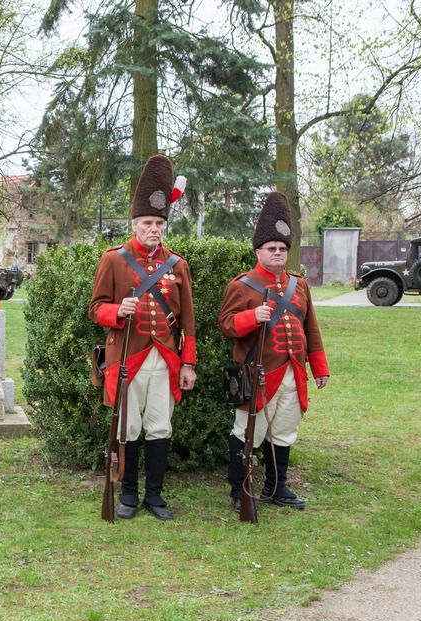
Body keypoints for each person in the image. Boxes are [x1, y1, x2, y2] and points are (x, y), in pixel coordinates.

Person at [88, 155, 197, 521]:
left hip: (164, 358)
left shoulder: (177, 264)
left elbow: (188, 322)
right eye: (148, 222)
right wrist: (117, 312)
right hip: (127, 357)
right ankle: (130, 495)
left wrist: (188, 363)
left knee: (159, 426)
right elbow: (95, 308)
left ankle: (155, 496)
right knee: (129, 427)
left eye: (159, 223)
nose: (154, 229)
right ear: (135, 225)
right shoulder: (114, 260)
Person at [220, 191, 330, 512]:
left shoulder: (299, 284)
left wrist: (319, 367)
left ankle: (276, 487)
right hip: (257, 373)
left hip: (292, 372)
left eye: (283, 248)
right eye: (272, 248)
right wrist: (251, 317)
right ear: (258, 251)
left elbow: (311, 328)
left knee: (284, 432)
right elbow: (226, 325)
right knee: (246, 432)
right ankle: (239, 490)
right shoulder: (241, 285)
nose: (279, 253)